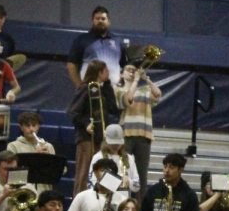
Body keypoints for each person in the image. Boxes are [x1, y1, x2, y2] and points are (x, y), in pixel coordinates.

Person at [69, 60, 120, 196]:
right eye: (106, 71)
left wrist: (108, 85)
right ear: (99, 72)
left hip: (101, 138)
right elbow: (73, 112)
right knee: (84, 173)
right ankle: (78, 204)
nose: (109, 73)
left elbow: (113, 109)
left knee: (101, 172)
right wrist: (86, 124)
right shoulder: (85, 88)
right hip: (86, 138)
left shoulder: (103, 89)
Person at [118, 60, 161, 197]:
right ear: (121, 74)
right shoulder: (118, 90)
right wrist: (136, 80)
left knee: (142, 175)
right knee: (123, 170)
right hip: (126, 134)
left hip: (144, 135)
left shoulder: (145, 90)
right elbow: (128, 99)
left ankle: (140, 210)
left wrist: (146, 79)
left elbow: (158, 94)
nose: (131, 72)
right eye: (128, 70)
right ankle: (122, 203)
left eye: (133, 70)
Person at [66, 6, 125, 90]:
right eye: (97, 18)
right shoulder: (82, 39)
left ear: (109, 22)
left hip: (115, 90)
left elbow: (125, 66)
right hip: (90, 90)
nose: (100, 21)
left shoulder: (118, 41)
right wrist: (79, 85)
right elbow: (71, 65)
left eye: (103, 18)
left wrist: (123, 87)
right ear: (92, 21)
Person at [93, 124, 140, 195]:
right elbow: (92, 182)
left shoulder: (129, 158)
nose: (115, 146)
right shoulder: (98, 157)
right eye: (112, 144)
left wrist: (129, 181)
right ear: (106, 141)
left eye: (118, 144)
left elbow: (137, 186)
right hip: (102, 199)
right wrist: (117, 182)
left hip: (123, 202)